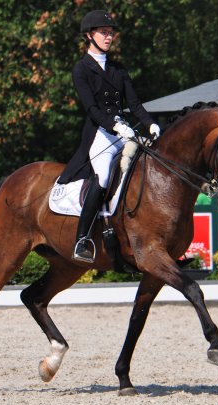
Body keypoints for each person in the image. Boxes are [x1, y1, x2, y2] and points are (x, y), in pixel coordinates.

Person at [58, 10, 160, 262]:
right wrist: (115, 127)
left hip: (123, 132)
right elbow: (92, 110)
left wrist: (151, 124)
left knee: (147, 168)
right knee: (102, 177)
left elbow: (134, 104)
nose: (109, 36)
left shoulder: (118, 69)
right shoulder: (81, 69)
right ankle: (82, 239)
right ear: (89, 36)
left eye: (111, 32)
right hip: (99, 135)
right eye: (104, 32)